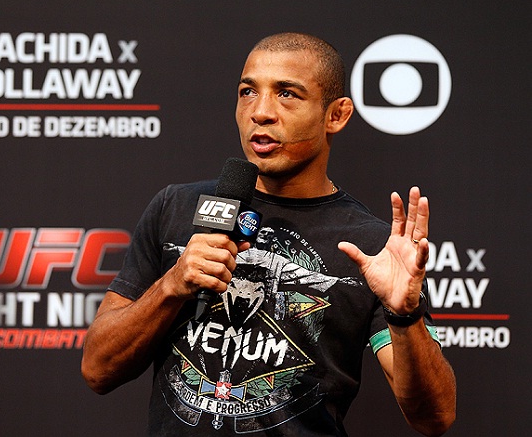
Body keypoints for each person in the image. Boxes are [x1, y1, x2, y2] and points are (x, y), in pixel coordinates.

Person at [81, 32, 456, 436]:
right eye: (248, 92)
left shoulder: (369, 246)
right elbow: (98, 370)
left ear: (336, 115)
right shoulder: (175, 206)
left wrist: (405, 316)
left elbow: (434, 418)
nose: (260, 112)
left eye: (287, 94)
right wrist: (172, 286)